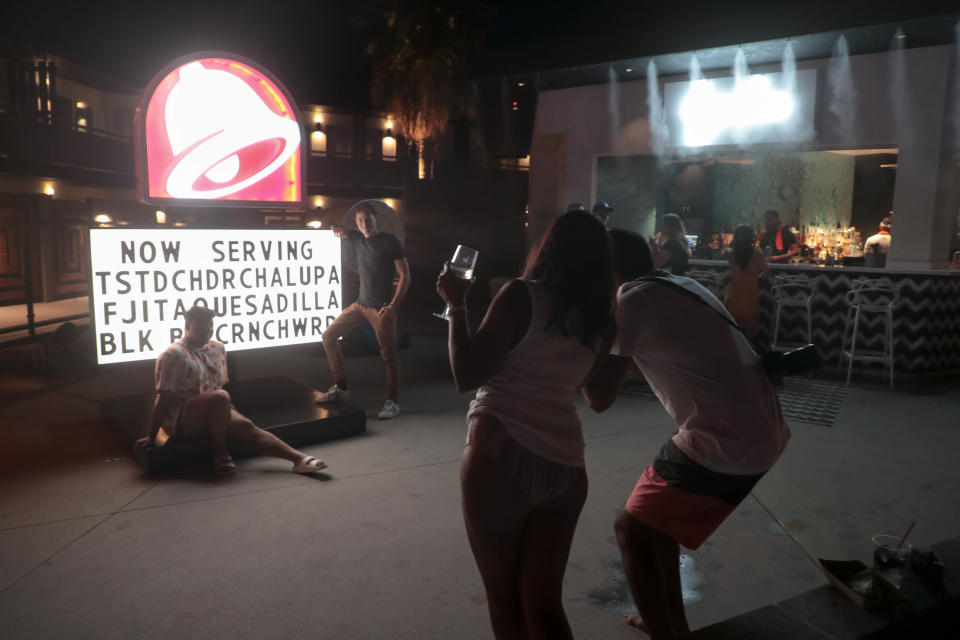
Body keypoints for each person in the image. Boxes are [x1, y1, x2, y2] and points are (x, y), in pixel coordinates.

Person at [584, 229, 790, 639]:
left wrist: (593, 324)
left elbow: (597, 397)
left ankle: (668, 632)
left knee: (631, 527)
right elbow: (650, 365)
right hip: (761, 426)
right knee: (655, 523)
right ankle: (665, 620)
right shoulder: (678, 283)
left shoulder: (632, 300)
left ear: (602, 272)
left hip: (725, 440)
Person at [436, 210, 616, 640]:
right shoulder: (602, 324)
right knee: (545, 605)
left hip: (502, 449)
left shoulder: (521, 296)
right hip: (567, 464)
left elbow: (467, 374)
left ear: (548, 248)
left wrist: (456, 304)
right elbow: (587, 387)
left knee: (505, 600)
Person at [135, 305, 327, 476]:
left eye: (210, 326)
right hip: (181, 419)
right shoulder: (172, 355)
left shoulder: (218, 348)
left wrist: (229, 411)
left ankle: (299, 459)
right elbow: (164, 398)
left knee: (248, 427)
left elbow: (217, 386)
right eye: (201, 326)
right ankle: (220, 453)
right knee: (221, 397)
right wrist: (152, 436)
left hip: (215, 407)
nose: (207, 330)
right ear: (187, 326)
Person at [313, 202, 410, 420]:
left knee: (389, 356)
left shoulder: (390, 242)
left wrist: (393, 306)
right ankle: (341, 388)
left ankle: (392, 402)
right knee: (328, 336)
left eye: (368, 219)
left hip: (382, 310)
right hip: (360, 305)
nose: (365, 224)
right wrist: (334, 228)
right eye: (360, 221)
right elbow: (338, 229)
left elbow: (405, 276)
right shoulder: (356, 237)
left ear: (376, 220)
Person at [724, 224, 771, 341]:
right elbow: (766, 273)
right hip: (750, 298)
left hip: (732, 297)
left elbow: (725, 250)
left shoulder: (730, 253)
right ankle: (749, 356)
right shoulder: (757, 252)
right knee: (750, 335)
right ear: (752, 237)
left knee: (732, 333)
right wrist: (758, 277)